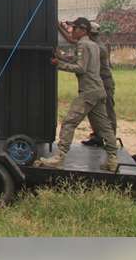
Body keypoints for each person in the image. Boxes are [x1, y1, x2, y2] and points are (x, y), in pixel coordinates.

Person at [38, 17, 118, 172]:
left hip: (88, 92)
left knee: (69, 122)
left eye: (74, 29)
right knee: (105, 128)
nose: (72, 31)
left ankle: (59, 157)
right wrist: (60, 55)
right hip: (99, 91)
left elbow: (81, 68)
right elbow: (77, 59)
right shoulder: (94, 45)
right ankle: (113, 160)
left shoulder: (82, 44)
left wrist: (58, 64)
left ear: (83, 30)